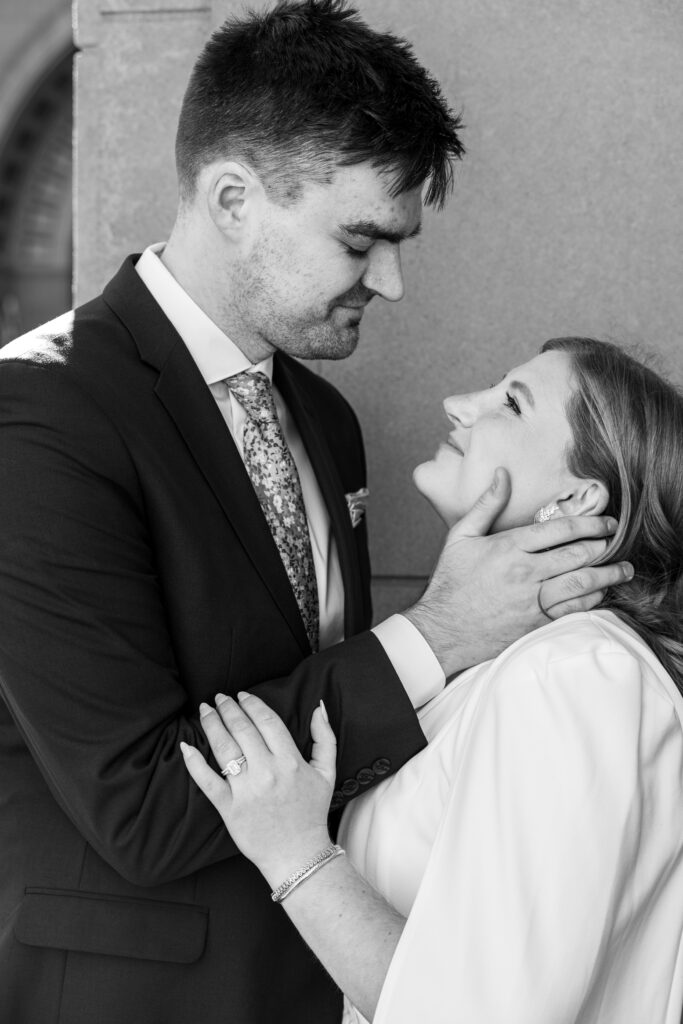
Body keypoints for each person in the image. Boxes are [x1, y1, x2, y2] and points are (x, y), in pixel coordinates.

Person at [0, 2, 629, 1022]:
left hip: (322, 977)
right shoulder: (38, 411)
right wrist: (437, 634)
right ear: (234, 197)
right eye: (360, 240)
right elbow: (140, 805)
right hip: (131, 994)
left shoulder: (324, 421)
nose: (389, 282)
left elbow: (327, 732)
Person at [184, 337, 683, 1024]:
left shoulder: (572, 674)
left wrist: (294, 852)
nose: (456, 404)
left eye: (510, 401)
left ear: (576, 496)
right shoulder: (522, 667)